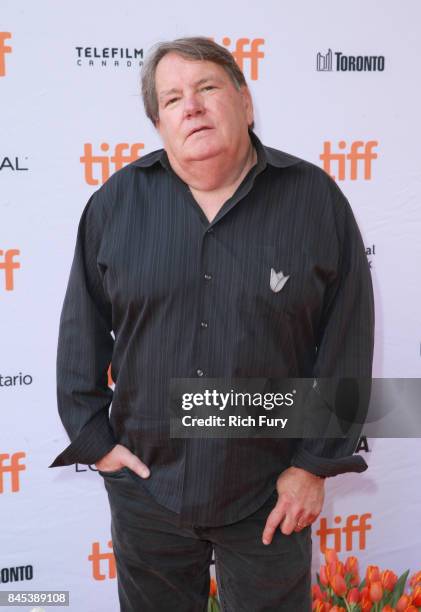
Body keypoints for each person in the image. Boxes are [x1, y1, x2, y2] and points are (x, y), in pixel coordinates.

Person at [49, 37, 374, 611]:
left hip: (271, 492)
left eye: (206, 88)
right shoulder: (115, 205)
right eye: (172, 99)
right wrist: (98, 443)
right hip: (148, 490)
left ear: (246, 102)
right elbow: (81, 333)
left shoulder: (314, 201)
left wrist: (312, 466)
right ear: (159, 123)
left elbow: (344, 342)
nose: (191, 106)